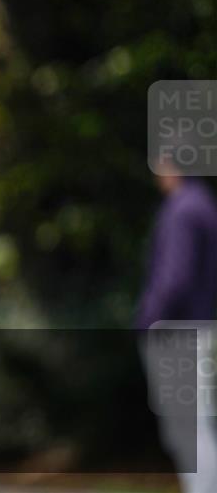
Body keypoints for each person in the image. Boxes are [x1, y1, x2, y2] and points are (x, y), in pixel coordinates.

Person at [136, 159, 217, 493]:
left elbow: (174, 280)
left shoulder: (182, 210)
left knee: (189, 432)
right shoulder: (204, 204)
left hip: (177, 332)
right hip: (200, 327)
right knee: (198, 426)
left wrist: (147, 320)